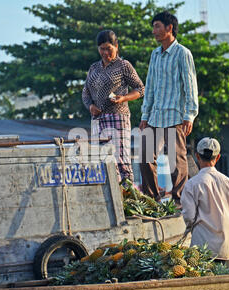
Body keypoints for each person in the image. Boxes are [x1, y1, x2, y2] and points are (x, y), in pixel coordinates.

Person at [139, 11, 199, 207]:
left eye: (157, 26)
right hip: (155, 115)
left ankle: (179, 199)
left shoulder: (183, 53)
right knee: (145, 157)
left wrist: (190, 115)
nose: (154, 31)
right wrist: (145, 115)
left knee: (176, 160)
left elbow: (190, 86)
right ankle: (152, 199)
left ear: (169, 28)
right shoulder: (155, 54)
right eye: (154, 27)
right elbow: (150, 87)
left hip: (175, 116)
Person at [82, 30, 145, 182]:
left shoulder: (124, 65)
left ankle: (127, 196)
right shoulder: (94, 68)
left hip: (118, 117)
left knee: (120, 159)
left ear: (116, 46)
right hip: (98, 119)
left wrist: (124, 98)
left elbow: (140, 89)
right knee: (101, 159)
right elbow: (85, 93)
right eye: (102, 49)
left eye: (108, 48)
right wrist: (90, 107)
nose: (105, 52)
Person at [181, 137, 229, 264]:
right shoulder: (228, 182)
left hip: (203, 248)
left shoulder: (192, 184)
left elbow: (189, 217)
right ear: (217, 158)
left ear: (197, 156)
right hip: (225, 248)